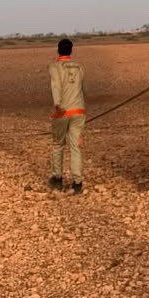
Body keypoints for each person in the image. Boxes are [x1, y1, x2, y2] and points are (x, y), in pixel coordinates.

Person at [47, 37, 85, 192]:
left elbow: (55, 85)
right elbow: (82, 88)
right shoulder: (80, 67)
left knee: (58, 144)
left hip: (62, 112)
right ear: (71, 50)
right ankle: (77, 182)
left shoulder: (55, 67)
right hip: (79, 111)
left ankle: (57, 178)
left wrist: (57, 104)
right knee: (76, 147)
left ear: (58, 50)